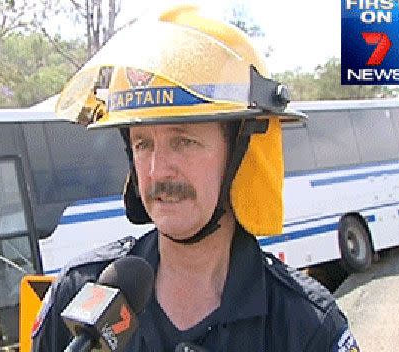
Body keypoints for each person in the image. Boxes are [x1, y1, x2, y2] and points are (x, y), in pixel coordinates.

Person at [32, 4, 360, 351]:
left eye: (184, 141)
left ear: (240, 153)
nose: (158, 170)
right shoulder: (80, 294)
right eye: (143, 144)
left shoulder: (304, 325)